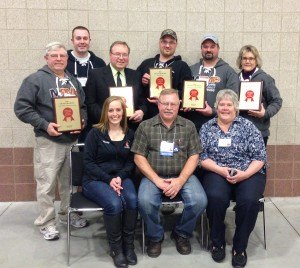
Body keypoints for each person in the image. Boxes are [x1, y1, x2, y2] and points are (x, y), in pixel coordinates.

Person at [14, 42, 88, 241]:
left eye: (62, 56)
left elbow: (83, 107)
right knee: (46, 184)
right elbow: (22, 108)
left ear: (67, 59)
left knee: (69, 183)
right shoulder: (35, 80)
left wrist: (82, 121)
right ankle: (47, 223)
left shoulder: (72, 81)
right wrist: (45, 125)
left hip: (72, 141)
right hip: (49, 141)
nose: (58, 59)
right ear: (46, 58)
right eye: (54, 55)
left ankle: (66, 215)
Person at [131, 89, 207, 258]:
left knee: (200, 200)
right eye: (165, 103)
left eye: (173, 104)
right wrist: (157, 180)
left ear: (179, 105)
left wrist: (180, 180)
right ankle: (155, 236)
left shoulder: (188, 126)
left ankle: (181, 233)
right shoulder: (145, 126)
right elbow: (138, 156)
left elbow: (195, 155)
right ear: (158, 104)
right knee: (144, 201)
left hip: (183, 175)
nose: (169, 107)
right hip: (153, 176)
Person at [199, 89, 267, 267]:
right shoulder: (207, 128)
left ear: (236, 107)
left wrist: (244, 174)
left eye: (229, 104)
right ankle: (217, 242)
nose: (225, 108)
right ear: (216, 107)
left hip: (248, 172)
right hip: (217, 171)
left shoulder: (248, 126)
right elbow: (201, 157)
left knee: (250, 200)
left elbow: (260, 157)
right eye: (221, 104)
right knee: (215, 197)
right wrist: (221, 170)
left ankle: (239, 246)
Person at [83, 96, 137, 268]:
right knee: (114, 204)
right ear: (105, 112)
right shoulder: (95, 133)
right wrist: (109, 179)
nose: (115, 114)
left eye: (118, 110)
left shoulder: (130, 134)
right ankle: (116, 249)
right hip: (95, 179)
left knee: (132, 200)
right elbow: (88, 163)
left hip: (121, 177)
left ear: (124, 111)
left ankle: (128, 246)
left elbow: (130, 162)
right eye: (111, 110)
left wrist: (120, 176)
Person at [86, 41, 146, 132]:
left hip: (130, 129)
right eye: (117, 54)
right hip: (104, 129)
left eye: (125, 54)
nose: (121, 58)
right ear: (110, 55)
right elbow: (90, 104)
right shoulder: (95, 75)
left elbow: (142, 100)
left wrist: (142, 111)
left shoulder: (136, 75)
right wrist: (107, 116)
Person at [137, 29, 192, 119]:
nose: (167, 45)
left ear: (176, 45)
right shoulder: (147, 64)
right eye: (164, 42)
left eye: (171, 42)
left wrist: (166, 98)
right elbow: (136, 90)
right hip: (148, 116)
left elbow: (187, 93)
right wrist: (142, 83)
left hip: (172, 118)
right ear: (160, 43)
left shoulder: (182, 66)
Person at [189, 34, 239, 131]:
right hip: (193, 123)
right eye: (205, 47)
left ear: (218, 48)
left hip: (218, 124)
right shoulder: (192, 69)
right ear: (201, 49)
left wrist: (212, 111)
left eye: (212, 47)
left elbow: (233, 100)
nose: (208, 50)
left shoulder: (228, 71)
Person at [236, 45, 283, 145]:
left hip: (259, 131)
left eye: (251, 58)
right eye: (244, 58)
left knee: (258, 161)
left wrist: (265, 113)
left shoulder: (265, 78)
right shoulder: (235, 79)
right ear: (240, 60)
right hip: (237, 132)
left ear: (256, 61)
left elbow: (277, 101)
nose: (247, 61)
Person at [66, 25, 106, 142]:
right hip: (70, 114)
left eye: (85, 38)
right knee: (72, 151)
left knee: (89, 149)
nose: (82, 41)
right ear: (72, 40)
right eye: (78, 38)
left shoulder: (99, 63)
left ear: (89, 40)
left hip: (95, 117)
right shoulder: (64, 62)